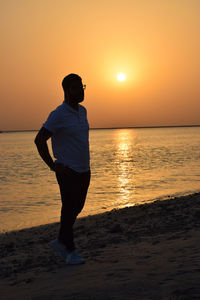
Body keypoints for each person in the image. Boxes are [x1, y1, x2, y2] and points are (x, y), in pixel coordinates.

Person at [34, 73, 90, 265]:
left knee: (76, 207)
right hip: (67, 170)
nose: (80, 91)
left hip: (84, 169)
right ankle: (70, 251)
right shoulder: (58, 114)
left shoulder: (82, 111)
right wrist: (52, 165)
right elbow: (40, 140)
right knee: (68, 209)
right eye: (75, 87)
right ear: (66, 91)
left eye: (82, 86)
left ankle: (60, 241)